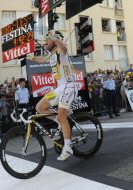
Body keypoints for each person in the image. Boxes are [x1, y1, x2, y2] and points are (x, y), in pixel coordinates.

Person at [30, 30, 77, 161]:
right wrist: (32, 58)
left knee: (62, 115)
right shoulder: (51, 55)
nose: (45, 41)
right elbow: (42, 59)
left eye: (48, 39)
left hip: (69, 86)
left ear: (55, 40)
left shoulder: (61, 52)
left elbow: (64, 47)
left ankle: (68, 146)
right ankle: (59, 122)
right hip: (59, 88)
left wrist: (54, 37)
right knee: (40, 107)